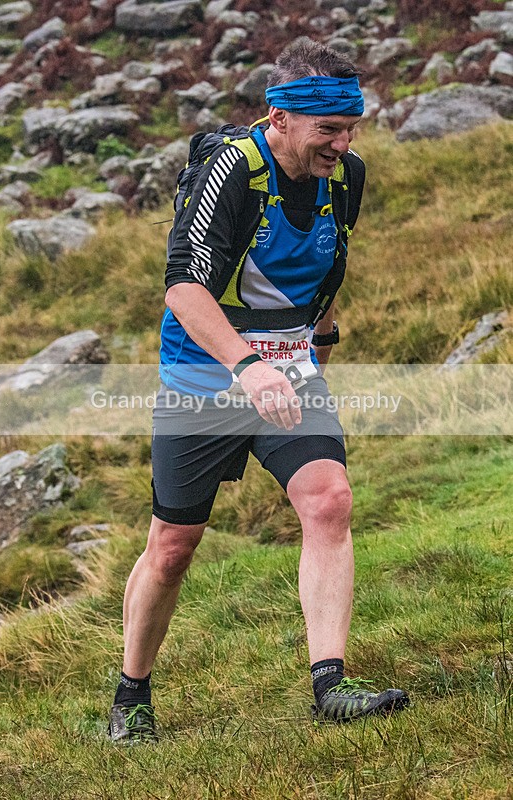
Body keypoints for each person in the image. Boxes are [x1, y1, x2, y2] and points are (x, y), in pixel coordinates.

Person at [108, 39, 409, 743]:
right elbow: (183, 285)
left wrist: (320, 347)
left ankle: (330, 686)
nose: (344, 142)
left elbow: (331, 263)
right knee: (174, 543)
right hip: (205, 376)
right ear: (279, 117)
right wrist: (248, 366)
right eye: (328, 130)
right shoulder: (232, 172)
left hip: (289, 368)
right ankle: (132, 694)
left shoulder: (346, 177)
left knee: (329, 499)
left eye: (351, 127)